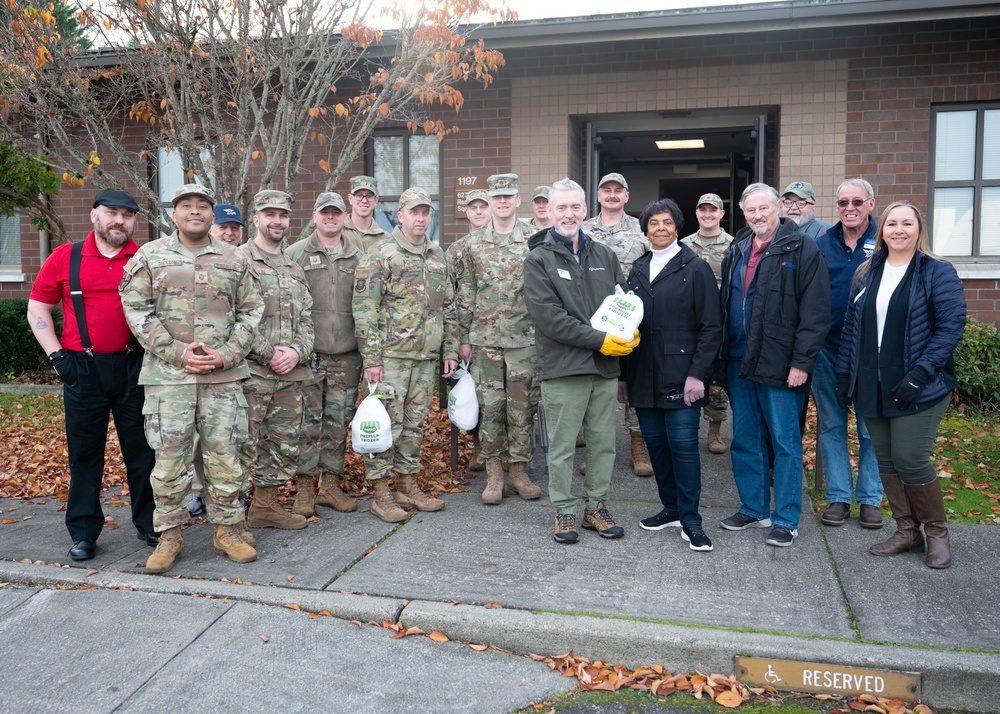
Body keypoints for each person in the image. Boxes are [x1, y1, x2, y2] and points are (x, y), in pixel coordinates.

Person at [120, 184, 263, 573]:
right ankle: (169, 536)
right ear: (174, 214)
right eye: (187, 205)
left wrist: (227, 353)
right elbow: (135, 309)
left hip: (224, 377)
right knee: (169, 463)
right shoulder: (150, 256)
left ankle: (228, 530)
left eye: (203, 205)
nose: (195, 211)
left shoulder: (236, 259)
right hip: (170, 379)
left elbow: (252, 311)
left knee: (226, 459)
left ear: (213, 215)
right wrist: (180, 353)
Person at [27, 188, 157, 561]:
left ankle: (149, 524)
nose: (120, 220)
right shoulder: (65, 258)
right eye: (112, 212)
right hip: (82, 369)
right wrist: (57, 358)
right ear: (94, 215)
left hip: (135, 366)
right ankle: (84, 531)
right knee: (84, 455)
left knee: (144, 452)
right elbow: (38, 309)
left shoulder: (146, 257)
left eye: (128, 215)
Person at [836, 201, 966, 569]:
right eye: (892, 223)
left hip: (919, 384)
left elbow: (951, 327)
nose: (898, 230)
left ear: (918, 229)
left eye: (906, 223)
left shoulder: (936, 271)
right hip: (872, 382)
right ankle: (907, 531)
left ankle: (937, 533)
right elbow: (851, 328)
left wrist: (921, 373)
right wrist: (845, 376)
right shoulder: (866, 271)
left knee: (910, 457)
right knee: (888, 460)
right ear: (882, 230)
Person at [523, 177, 637, 544]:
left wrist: (630, 328)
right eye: (561, 208)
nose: (568, 214)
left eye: (575, 207)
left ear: (586, 210)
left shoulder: (604, 255)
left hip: (603, 369)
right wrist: (601, 340)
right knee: (562, 446)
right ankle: (565, 511)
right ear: (549, 212)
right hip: (564, 367)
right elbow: (549, 319)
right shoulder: (539, 260)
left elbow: (623, 301)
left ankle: (596, 507)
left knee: (604, 442)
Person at [719, 183, 830, 547]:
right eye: (750, 210)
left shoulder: (802, 248)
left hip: (782, 365)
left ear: (778, 207)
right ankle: (754, 508)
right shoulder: (736, 249)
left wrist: (802, 362)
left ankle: (786, 518)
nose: (757, 216)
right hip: (739, 360)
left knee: (784, 443)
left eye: (763, 208)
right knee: (746, 439)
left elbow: (815, 313)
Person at [352, 186, 459, 523]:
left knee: (414, 426)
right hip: (391, 359)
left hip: (425, 358)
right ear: (400, 215)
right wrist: (371, 359)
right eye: (414, 212)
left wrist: (450, 350)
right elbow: (364, 311)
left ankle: (407, 486)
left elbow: (450, 309)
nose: (421, 218)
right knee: (386, 426)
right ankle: (381, 495)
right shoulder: (381, 254)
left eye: (426, 212)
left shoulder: (437, 256)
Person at [624, 199, 722, 552]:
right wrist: (624, 377)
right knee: (657, 447)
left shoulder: (695, 267)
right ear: (645, 229)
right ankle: (671, 509)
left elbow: (712, 327)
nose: (660, 228)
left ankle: (692, 520)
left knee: (683, 449)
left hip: (683, 376)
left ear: (677, 227)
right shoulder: (637, 268)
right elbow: (625, 323)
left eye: (667, 222)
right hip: (643, 374)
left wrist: (699, 375)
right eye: (654, 223)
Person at [457, 174, 543, 505]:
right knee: (491, 408)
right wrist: (464, 337)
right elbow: (466, 291)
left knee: (521, 409)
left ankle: (518, 472)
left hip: (524, 339)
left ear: (518, 200)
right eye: (497, 197)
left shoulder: (535, 240)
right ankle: (494, 475)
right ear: (490, 202)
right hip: (485, 339)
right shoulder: (472, 243)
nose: (503, 202)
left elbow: (544, 291)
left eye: (508, 196)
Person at [236, 190, 315, 531]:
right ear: (256, 219)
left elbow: (308, 318)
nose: (277, 221)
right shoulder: (237, 260)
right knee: (240, 445)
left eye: (282, 215)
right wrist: (269, 353)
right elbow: (232, 316)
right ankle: (231, 520)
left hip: (289, 374)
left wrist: (297, 351)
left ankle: (265, 506)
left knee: (282, 444)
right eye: (270, 214)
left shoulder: (294, 267)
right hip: (251, 372)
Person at [285, 192, 362, 517]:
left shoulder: (358, 257)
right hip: (309, 356)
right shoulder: (296, 254)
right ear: (315, 216)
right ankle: (305, 488)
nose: (330, 218)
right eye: (324, 213)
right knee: (307, 423)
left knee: (337, 422)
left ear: (344, 217)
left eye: (336, 213)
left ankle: (329, 485)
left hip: (346, 356)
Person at [814, 179, 882, 529]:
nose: (849, 208)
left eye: (857, 201)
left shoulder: (886, 242)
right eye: (843, 202)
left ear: (871, 203)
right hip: (828, 350)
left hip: (872, 353)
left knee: (872, 428)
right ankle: (839, 497)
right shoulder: (821, 243)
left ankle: (871, 499)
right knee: (832, 424)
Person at [580, 172, 652, 477]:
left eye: (617, 191)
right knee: (595, 387)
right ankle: (597, 452)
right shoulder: (581, 231)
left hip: (629, 319)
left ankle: (639, 447)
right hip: (592, 320)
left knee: (634, 382)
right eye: (605, 190)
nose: (611, 195)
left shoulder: (641, 232)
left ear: (626, 196)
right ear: (597, 196)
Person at [188, 202, 246, 517]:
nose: (229, 232)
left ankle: (236, 492)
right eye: (223, 226)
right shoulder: (198, 261)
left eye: (234, 227)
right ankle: (200, 491)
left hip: (243, 362)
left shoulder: (246, 260)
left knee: (238, 434)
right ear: (211, 227)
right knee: (201, 436)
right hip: (206, 363)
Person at [681, 192, 735, 455]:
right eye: (703, 210)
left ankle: (715, 429)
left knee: (716, 377)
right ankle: (687, 427)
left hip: (720, 320)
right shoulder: (683, 245)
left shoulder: (734, 245)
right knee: (688, 370)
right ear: (697, 213)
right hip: (689, 321)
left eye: (713, 210)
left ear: (721, 214)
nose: (708, 214)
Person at [446, 188, 491, 472]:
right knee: (474, 395)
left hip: (498, 331)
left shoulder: (506, 244)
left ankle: (504, 452)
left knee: (498, 397)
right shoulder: (456, 250)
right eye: (472, 207)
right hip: (468, 333)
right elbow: (448, 297)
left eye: (482, 206)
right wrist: (459, 339)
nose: (478, 211)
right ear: (467, 212)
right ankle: (480, 448)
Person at [342, 175, 388, 252]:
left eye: (369, 196)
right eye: (358, 195)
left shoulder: (386, 239)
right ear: (350, 198)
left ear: (376, 200)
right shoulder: (338, 234)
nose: (364, 201)